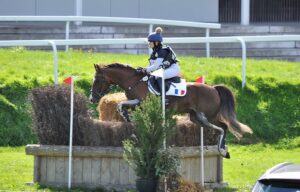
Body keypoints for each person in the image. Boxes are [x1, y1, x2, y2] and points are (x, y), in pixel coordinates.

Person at [138, 27, 181, 95]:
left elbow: (155, 67)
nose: (149, 43)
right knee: (152, 75)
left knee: (158, 75)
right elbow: (151, 66)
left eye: (150, 42)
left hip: (172, 69)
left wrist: (146, 69)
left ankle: (163, 98)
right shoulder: (154, 53)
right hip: (165, 69)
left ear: (156, 42)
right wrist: (143, 69)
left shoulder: (162, 51)